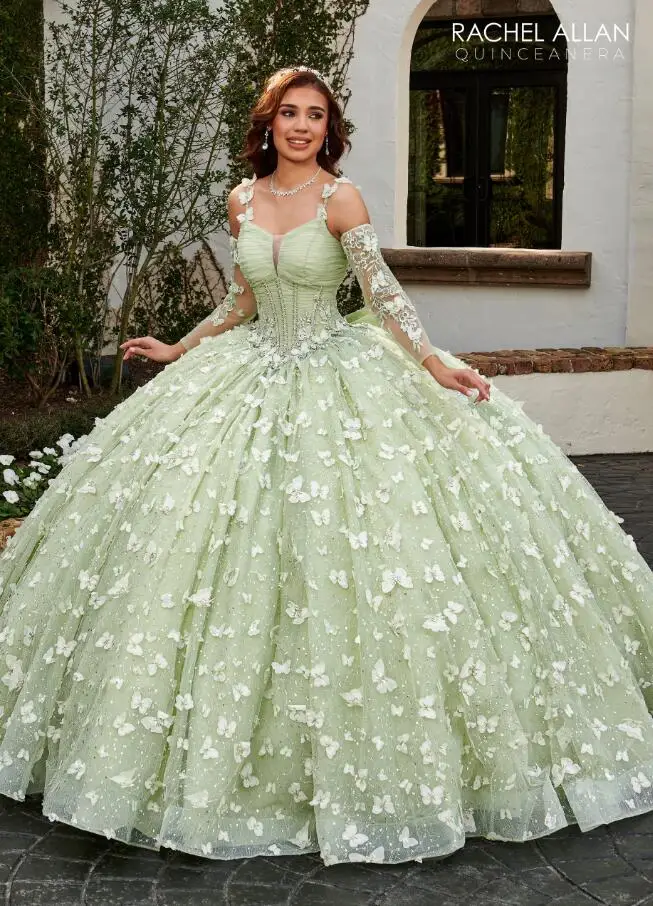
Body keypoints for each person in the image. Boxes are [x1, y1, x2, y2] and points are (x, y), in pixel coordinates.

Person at [1, 66, 653, 869]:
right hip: (247, 369)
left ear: (327, 129)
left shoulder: (338, 200)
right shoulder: (242, 200)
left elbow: (382, 297)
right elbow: (240, 299)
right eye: (288, 114)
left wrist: (430, 364)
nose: (300, 126)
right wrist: (177, 346)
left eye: (314, 115)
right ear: (267, 124)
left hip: (337, 373)